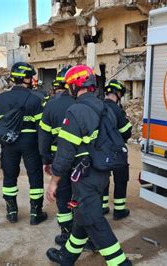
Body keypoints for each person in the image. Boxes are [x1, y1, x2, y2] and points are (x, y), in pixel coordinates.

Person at [46, 65, 131, 265]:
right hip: (101, 173)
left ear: (75, 86)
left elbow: (65, 153)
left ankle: (120, 263)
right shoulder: (105, 107)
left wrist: (53, 182)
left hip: (85, 176)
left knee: (93, 220)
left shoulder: (75, 111)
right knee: (83, 216)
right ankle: (66, 258)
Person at [0, 62, 47, 225]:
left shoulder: (0, 98)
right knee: (35, 176)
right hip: (30, 143)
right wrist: (43, 150)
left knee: (9, 176)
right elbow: (41, 127)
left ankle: (12, 212)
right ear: (28, 79)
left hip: (8, 142)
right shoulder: (36, 99)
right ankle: (36, 213)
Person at [38, 66, 75, 245]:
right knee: (83, 195)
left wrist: (46, 160)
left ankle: (66, 234)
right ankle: (83, 234)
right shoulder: (83, 103)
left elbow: (44, 136)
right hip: (83, 160)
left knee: (63, 195)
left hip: (59, 159)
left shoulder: (51, 105)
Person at [101, 80, 132, 220]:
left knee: (103, 178)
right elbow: (126, 132)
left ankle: (102, 207)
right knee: (120, 179)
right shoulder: (117, 111)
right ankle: (119, 210)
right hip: (117, 152)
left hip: (100, 151)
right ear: (118, 94)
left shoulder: (97, 106)